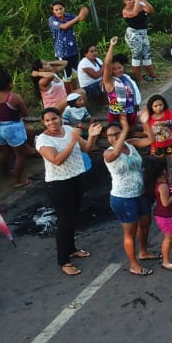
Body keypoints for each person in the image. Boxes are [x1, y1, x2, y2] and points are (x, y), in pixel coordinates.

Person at [37, 108, 104, 276]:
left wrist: (92, 135)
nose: (52, 123)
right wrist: (72, 141)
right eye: (48, 120)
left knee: (74, 217)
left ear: (60, 118)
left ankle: (72, 249)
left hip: (76, 178)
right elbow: (56, 160)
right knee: (65, 221)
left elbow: (87, 148)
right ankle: (63, 261)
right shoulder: (43, 140)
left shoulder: (68, 130)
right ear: (43, 123)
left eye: (54, 118)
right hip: (58, 184)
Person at [102, 118, 155, 276]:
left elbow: (151, 140)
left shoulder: (131, 144)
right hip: (123, 198)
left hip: (140, 193)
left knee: (145, 224)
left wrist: (146, 123)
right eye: (110, 135)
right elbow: (117, 152)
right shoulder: (109, 153)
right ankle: (133, 264)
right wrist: (124, 130)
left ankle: (143, 252)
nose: (114, 137)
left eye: (117, 133)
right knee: (130, 232)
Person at [0, 71, 33, 187]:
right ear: (9, 84)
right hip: (12, 127)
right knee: (20, 154)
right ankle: (18, 181)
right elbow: (25, 113)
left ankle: (5, 173)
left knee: (5, 151)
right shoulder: (14, 98)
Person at [144, 157, 172, 271]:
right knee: (168, 238)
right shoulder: (162, 186)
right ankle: (165, 261)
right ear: (163, 171)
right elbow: (165, 203)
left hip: (165, 215)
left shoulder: (161, 182)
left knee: (171, 236)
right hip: (167, 215)